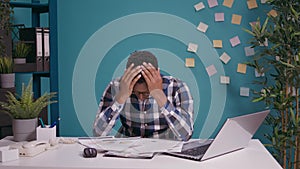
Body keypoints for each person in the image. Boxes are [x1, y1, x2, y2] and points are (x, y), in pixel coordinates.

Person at [93, 51, 194, 141]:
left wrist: (159, 95)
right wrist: (121, 97)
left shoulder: (177, 87)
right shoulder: (116, 87)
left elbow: (186, 135)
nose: (141, 98)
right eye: (135, 93)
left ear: (157, 74)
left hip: (165, 152)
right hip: (127, 152)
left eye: (146, 93)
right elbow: (98, 133)